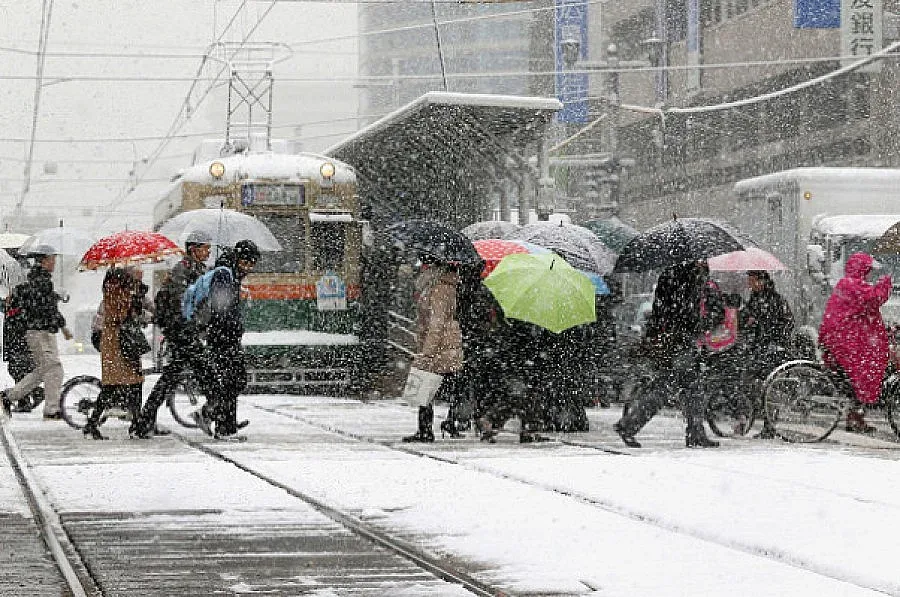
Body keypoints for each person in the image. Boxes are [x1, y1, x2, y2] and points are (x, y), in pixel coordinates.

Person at [613, 260, 723, 448]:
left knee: (687, 388)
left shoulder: (670, 274)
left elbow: (660, 311)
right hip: (679, 342)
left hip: (670, 342)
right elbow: (686, 314)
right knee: (672, 388)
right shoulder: (687, 278)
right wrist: (700, 324)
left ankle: (694, 432)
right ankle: (630, 425)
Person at [131, 231, 213, 438]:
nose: (207, 252)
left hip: (184, 332)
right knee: (207, 374)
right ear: (193, 249)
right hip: (182, 333)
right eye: (204, 248)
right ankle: (216, 414)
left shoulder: (194, 270)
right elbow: (182, 303)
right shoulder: (183, 271)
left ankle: (143, 421)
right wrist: (188, 326)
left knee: (171, 378)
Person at [818, 252, 891, 434]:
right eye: (867, 270)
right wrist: (886, 282)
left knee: (857, 374)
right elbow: (874, 299)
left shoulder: (847, 284)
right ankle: (855, 416)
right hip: (843, 339)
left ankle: (855, 415)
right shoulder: (852, 285)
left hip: (841, 336)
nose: (868, 275)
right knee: (862, 371)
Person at [194, 239, 260, 438]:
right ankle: (221, 424)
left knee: (233, 381)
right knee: (233, 381)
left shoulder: (230, 272)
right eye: (247, 263)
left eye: (252, 265)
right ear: (239, 259)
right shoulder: (224, 273)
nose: (249, 268)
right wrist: (232, 324)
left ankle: (221, 420)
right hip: (222, 336)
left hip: (225, 335)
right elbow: (221, 306)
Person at [0, 245, 72, 420]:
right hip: (40, 332)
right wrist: (61, 324)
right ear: (44, 260)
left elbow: (46, 306)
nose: (54, 262)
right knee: (54, 369)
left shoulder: (39, 280)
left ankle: (7, 397)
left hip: (41, 331)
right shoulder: (39, 280)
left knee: (42, 371)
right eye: (52, 259)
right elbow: (45, 308)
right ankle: (51, 409)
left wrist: (61, 323)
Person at [401, 261, 463, 443]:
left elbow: (436, 323)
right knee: (440, 388)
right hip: (444, 343)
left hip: (438, 346)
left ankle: (426, 430)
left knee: (425, 389)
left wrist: (427, 352)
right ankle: (446, 422)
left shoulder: (439, 289)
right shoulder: (443, 287)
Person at [82, 268, 147, 440]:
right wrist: (135, 298)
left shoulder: (116, 290)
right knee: (118, 385)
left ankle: (135, 423)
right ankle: (133, 425)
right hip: (118, 343)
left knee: (128, 384)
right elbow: (122, 315)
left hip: (119, 342)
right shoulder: (115, 291)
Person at [739, 270, 795, 438]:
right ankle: (765, 422)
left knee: (766, 385)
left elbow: (784, 323)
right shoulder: (757, 298)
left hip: (772, 349)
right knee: (760, 385)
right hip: (762, 347)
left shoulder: (773, 300)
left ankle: (768, 424)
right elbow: (747, 319)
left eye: (752, 280)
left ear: (761, 281)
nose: (749, 284)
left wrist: (762, 328)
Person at [3, 285, 45, 413]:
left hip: (20, 348)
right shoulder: (15, 310)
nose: (8, 298)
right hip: (19, 348)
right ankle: (33, 395)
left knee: (19, 372)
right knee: (21, 373)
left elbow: (16, 329)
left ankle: (28, 399)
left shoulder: (18, 311)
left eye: (10, 297)